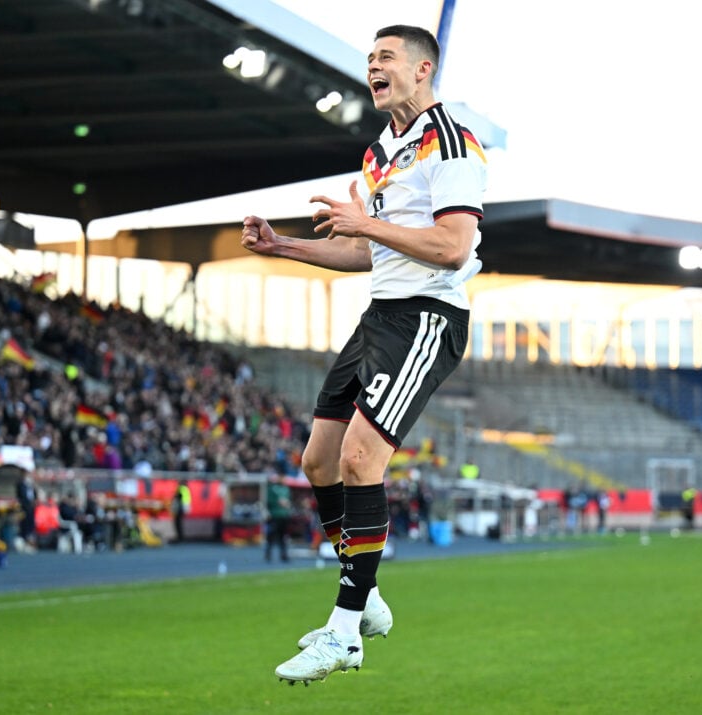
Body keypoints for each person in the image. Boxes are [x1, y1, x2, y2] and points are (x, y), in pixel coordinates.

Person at [242, 24, 487, 684]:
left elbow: (453, 247)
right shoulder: (381, 152)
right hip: (380, 314)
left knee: (359, 458)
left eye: (386, 57)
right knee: (318, 459)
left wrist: (367, 224)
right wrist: (283, 246)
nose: (373, 67)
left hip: (428, 316)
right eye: (370, 58)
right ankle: (367, 593)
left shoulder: (454, 144)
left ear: (423, 69)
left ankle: (345, 631)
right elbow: (365, 250)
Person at [265, 474, 292, 563]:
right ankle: (268, 553)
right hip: (275, 515)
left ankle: (283, 554)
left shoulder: (286, 489)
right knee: (271, 535)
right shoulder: (272, 489)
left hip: (284, 515)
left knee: (283, 536)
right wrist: (278, 502)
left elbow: (289, 500)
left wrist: (287, 504)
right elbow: (269, 501)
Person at [15, 471, 37, 550]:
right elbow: (21, 496)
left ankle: (29, 542)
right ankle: (22, 541)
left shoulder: (31, 485)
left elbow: (34, 495)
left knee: (30, 525)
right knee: (23, 524)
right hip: (23, 508)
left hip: (31, 508)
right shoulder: (20, 484)